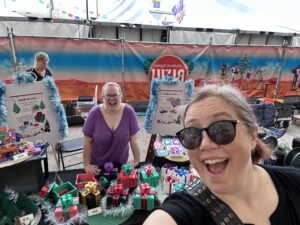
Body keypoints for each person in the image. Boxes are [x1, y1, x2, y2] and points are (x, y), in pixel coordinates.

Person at [144, 84, 300, 225]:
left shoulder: (294, 182)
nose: (205, 144)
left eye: (222, 129)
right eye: (192, 134)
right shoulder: (179, 214)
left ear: (252, 136)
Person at [82, 82, 141, 175]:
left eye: (115, 95)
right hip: (98, 167)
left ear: (120, 95)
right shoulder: (94, 113)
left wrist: (137, 160)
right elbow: (87, 141)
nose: (112, 98)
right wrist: (86, 165)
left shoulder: (129, 112)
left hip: (121, 165)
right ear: (103, 97)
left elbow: (134, 140)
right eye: (108, 95)